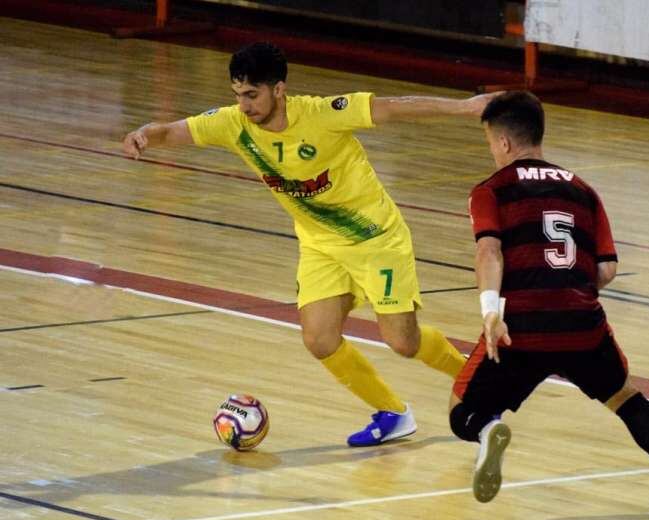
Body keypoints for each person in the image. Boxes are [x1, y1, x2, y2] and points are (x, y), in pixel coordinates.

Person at [122, 42, 487, 446]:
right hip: (320, 246)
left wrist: (467, 108)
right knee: (319, 339)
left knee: (403, 342)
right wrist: (144, 136)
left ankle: (476, 376)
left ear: (279, 89)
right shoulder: (234, 124)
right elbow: (174, 130)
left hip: (376, 238)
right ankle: (394, 414)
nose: (243, 106)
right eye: (237, 95)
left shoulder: (322, 115)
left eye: (252, 95)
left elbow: (393, 107)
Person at [449, 91, 649, 514]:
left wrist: (491, 312)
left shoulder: (490, 190)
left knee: (462, 411)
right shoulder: (584, 191)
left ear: (503, 143)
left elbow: (488, 253)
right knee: (627, 399)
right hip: (582, 326)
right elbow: (607, 270)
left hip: (522, 329)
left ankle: (489, 429)